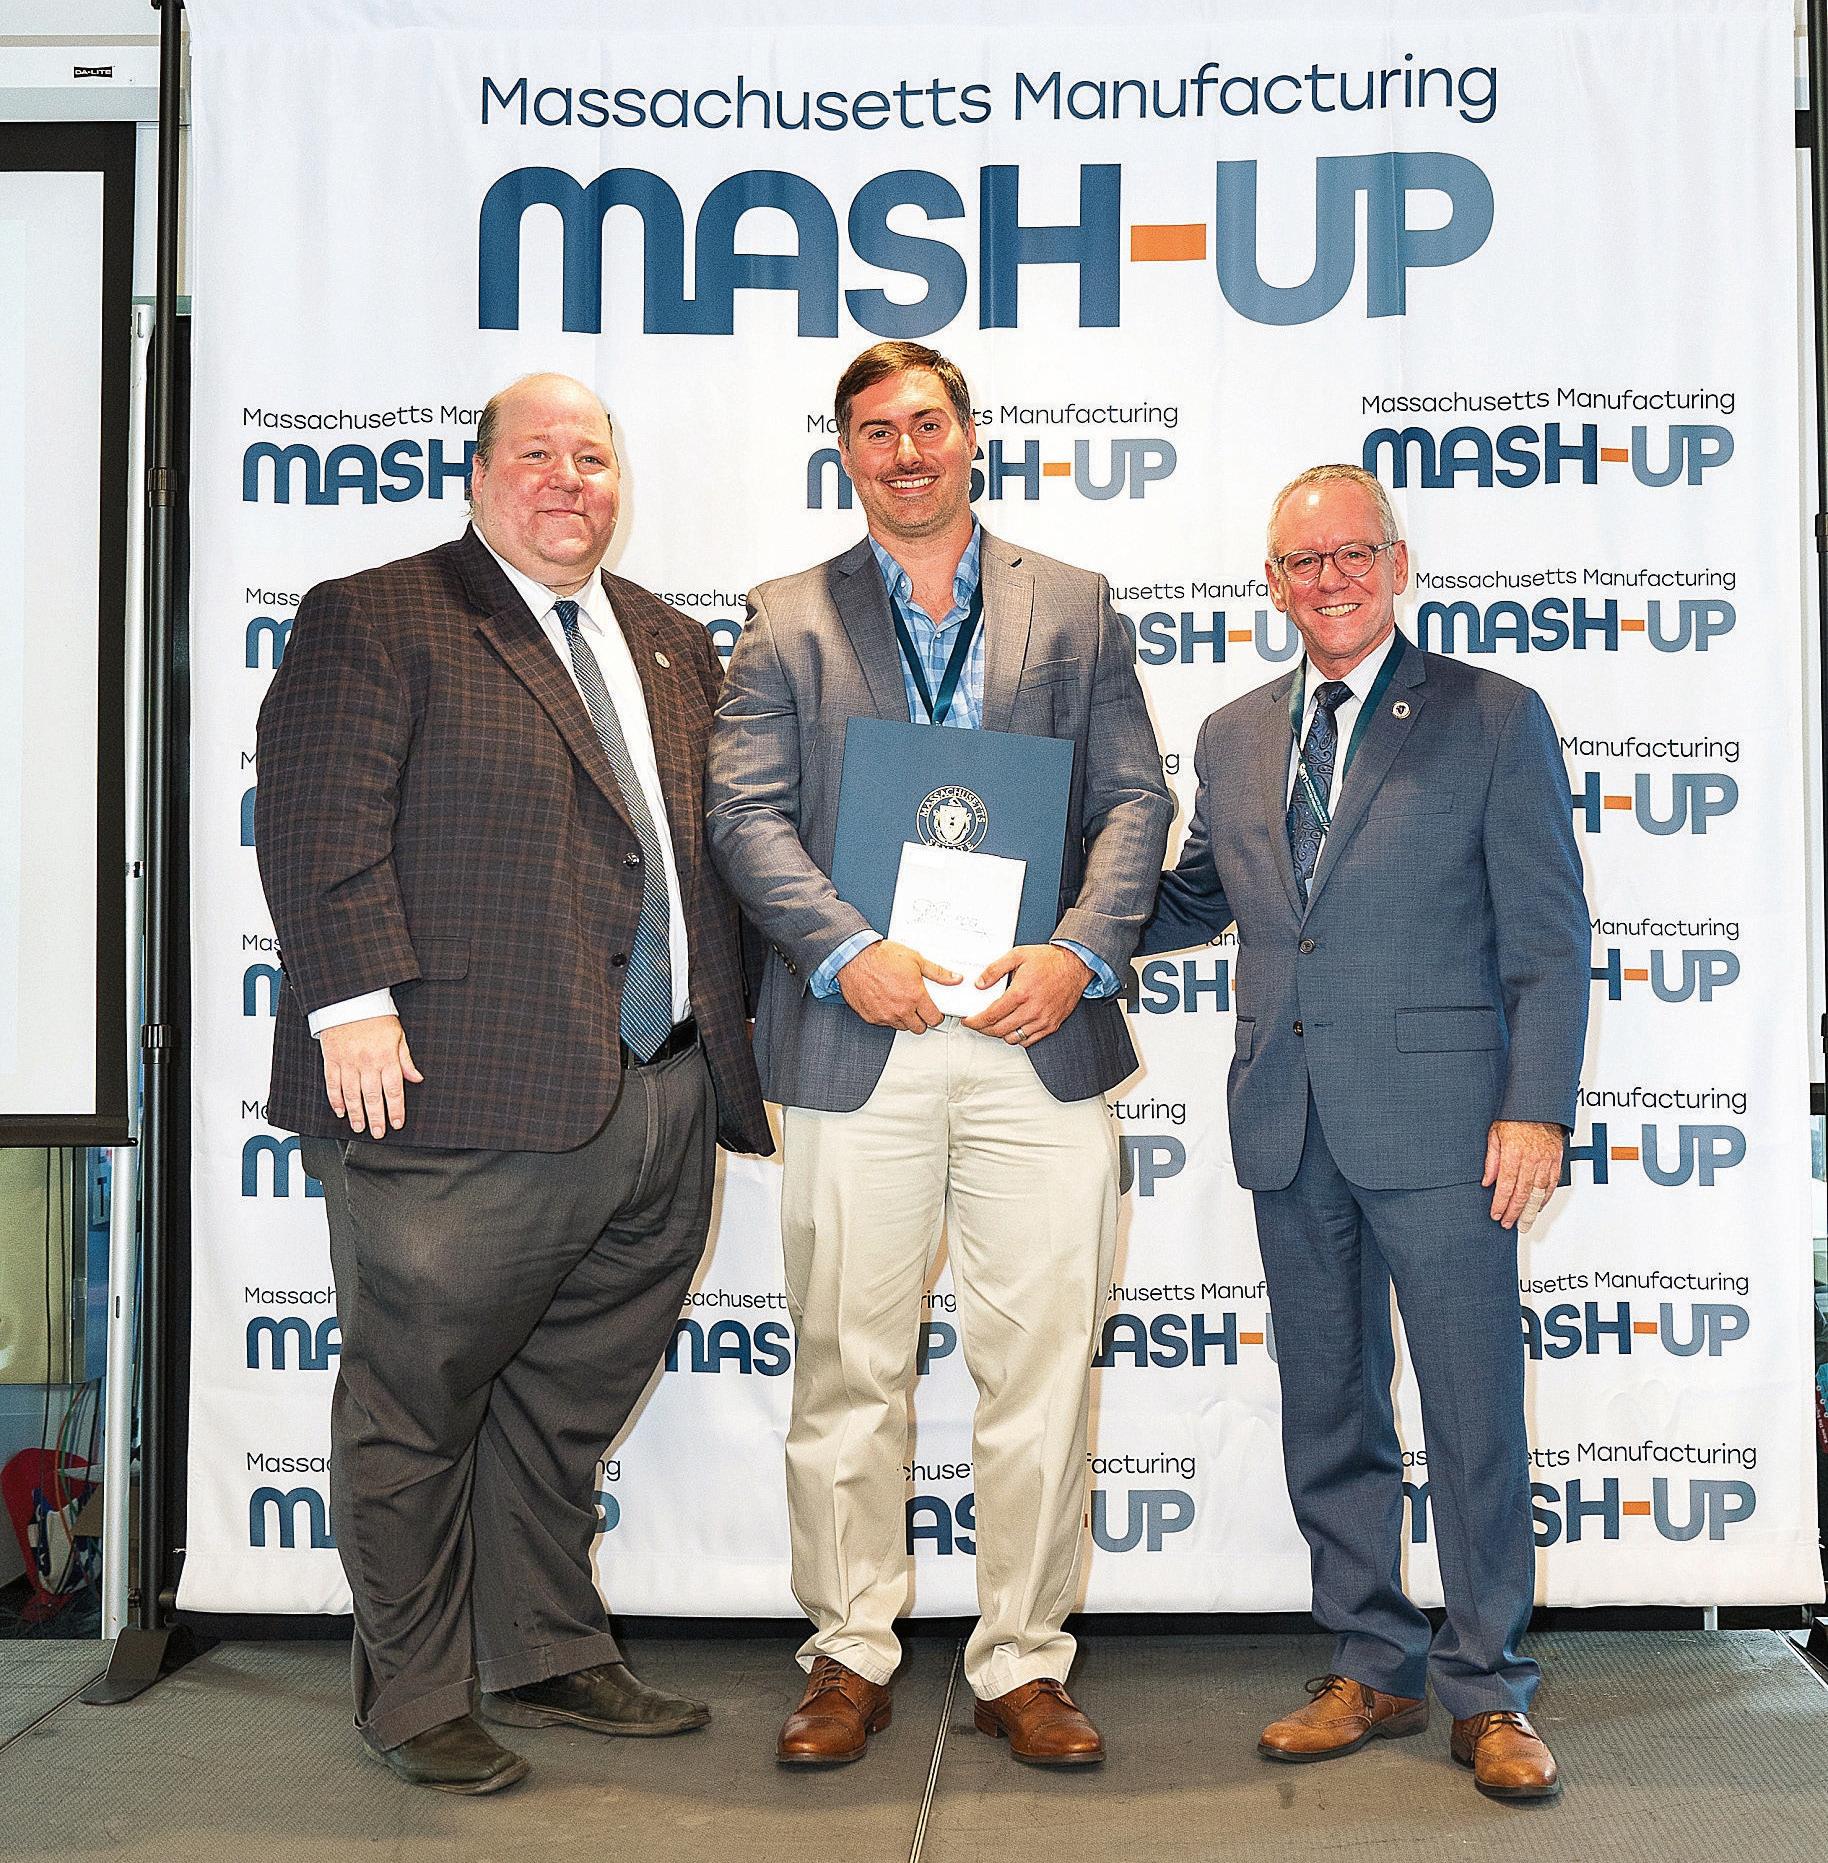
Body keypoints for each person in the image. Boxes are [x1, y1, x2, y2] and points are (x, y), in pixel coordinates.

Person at [255, 372, 772, 1794]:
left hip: (659, 1089)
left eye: (591, 457)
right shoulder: (380, 615)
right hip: (447, 1097)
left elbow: (705, 848)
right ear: (478, 475)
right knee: (416, 1404)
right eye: (536, 454)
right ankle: (416, 1694)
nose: (567, 480)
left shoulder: (668, 640)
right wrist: (351, 1006)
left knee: (563, 1403)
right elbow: (314, 819)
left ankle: (541, 1648)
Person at [706, 341, 1171, 1769]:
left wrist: (1078, 952)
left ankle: (1025, 1659)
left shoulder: (1074, 604)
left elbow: (1136, 800)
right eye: (873, 431)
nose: (903, 451)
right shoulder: (785, 617)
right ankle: (847, 1651)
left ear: (972, 437)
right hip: (862, 1034)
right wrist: (849, 948)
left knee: (1041, 1369)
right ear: (845, 454)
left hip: (1037, 1033)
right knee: (849, 1364)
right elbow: (743, 815)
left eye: (925, 423)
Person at [1137, 464, 1587, 1802]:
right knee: (1329, 1409)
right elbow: (1195, 899)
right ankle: (1372, 1662)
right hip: (1288, 1119)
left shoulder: (1492, 716)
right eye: (1301, 562)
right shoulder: (1232, 734)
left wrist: (1536, 1107)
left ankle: (1488, 1685)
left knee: (1470, 1411)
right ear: (1271, 584)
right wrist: (1046, 897)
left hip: (1449, 1127)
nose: (1327, 580)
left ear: (1396, 564)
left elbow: (1549, 938)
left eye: (1350, 555)